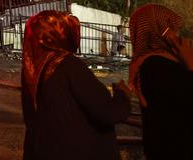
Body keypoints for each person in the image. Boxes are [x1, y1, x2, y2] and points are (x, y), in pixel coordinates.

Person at [20, 10, 131, 160]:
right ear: (57, 33)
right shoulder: (67, 65)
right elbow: (106, 113)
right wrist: (123, 95)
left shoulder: (33, 68)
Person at [128, 4, 193, 159]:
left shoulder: (147, 64)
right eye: (169, 27)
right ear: (158, 30)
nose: (175, 32)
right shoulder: (154, 66)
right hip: (186, 150)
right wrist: (191, 63)